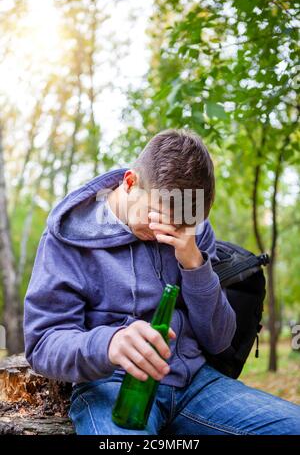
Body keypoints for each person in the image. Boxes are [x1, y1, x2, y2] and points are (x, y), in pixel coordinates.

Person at [24, 128, 300, 435]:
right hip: (113, 385)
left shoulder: (191, 226)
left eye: (183, 224)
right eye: (156, 216)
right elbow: (43, 343)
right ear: (130, 183)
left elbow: (220, 340)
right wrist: (109, 343)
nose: (164, 233)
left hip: (195, 383)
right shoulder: (68, 239)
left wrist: (194, 263)